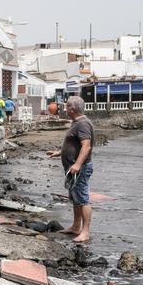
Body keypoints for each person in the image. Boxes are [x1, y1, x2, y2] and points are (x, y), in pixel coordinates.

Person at [46, 96, 94, 243]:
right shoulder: (77, 123)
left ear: (72, 109)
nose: (64, 109)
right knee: (75, 199)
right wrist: (60, 152)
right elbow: (75, 145)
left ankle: (85, 232)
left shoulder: (83, 124)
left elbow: (86, 146)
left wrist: (78, 164)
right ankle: (75, 226)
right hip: (73, 168)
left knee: (83, 199)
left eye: (67, 106)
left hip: (80, 168)